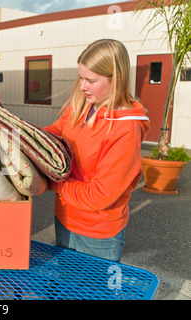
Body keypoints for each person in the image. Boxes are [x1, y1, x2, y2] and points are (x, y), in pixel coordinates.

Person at [43, 39, 150, 262]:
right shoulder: (83, 105)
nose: (82, 86)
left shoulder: (126, 131)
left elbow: (99, 195)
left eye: (91, 80)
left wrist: (54, 181)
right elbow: (56, 131)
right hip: (64, 218)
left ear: (117, 79)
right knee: (64, 289)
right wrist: (26, 136)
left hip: (97, 233)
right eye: (81, 78)